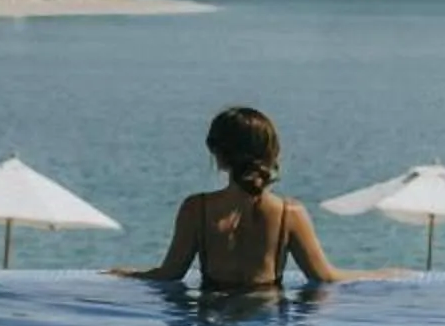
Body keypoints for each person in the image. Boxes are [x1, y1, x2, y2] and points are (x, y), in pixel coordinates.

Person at [114, 105, 357, 291]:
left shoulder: (196, 209)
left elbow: (169, 274)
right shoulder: (289, 213)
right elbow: (325, 277)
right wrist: (384, 273)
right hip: (266, 317)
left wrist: (123, 273)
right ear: (271, 153)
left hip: (211, 317)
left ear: (217, 154)